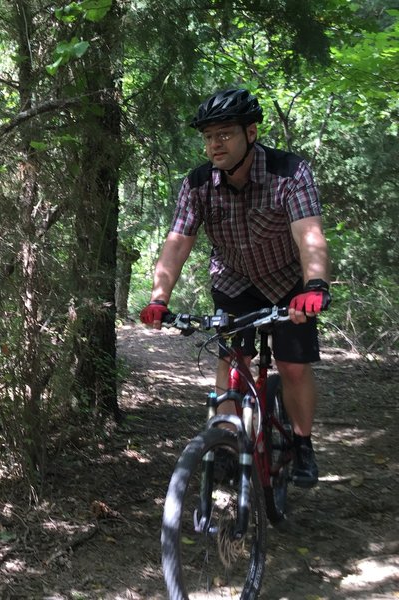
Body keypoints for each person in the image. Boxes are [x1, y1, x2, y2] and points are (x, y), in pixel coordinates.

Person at [139, 88, 331, 488]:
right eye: (208, 137)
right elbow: (177, 242)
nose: (214, 145)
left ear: (251, 132)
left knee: (293, 365)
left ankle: (302, 442)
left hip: (287, 284)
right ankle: (225, 443)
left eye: (224, 134)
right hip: (233, 281)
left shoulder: (289, 173)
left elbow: (309, 234)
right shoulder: (197, 184)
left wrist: (314, 285)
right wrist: (159, 298)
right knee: (232, 362)